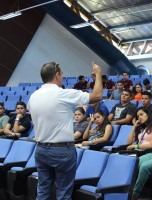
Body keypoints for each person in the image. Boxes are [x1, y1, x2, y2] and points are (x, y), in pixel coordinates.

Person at [27, 62, 103, 200]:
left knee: (43, 192)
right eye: (61, 74)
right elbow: (97, 96)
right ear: (56, 75)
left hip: (41, 149)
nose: (62, 77)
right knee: (63, 194)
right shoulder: (62, 94)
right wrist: (98, 74)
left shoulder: (33, 96)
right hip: (61, 151)